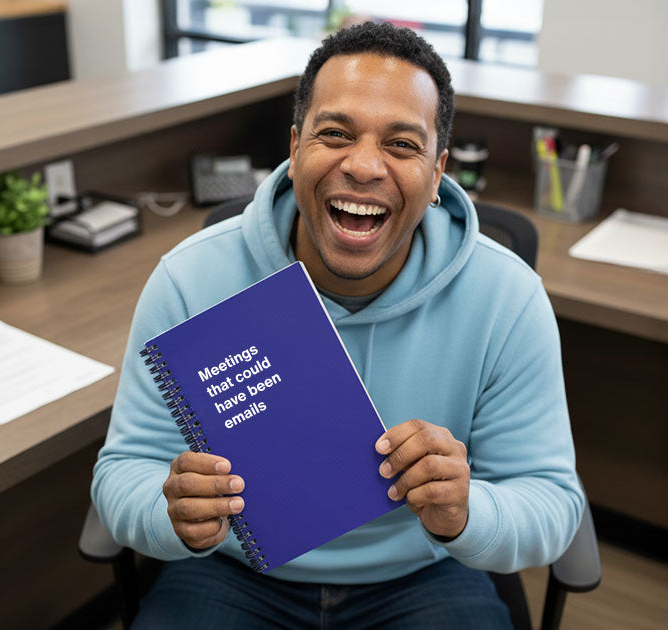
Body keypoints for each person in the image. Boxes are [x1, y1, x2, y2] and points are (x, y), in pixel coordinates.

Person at [92, 21, 583, 629]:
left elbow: (552, 504)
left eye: (402, 145)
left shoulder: (506, 296)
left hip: (420, 572)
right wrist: (168, 514)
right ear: (295, 149)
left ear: (437, 174)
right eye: (335, 134)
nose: (365, 165)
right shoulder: (191, 279)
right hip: (233, 568)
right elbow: (122, 473)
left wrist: (466, 511)